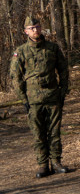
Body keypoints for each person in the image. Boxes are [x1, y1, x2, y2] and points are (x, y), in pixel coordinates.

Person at [9, 14, 70, 177]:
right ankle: (43, 164)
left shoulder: (52, 48)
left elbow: (63, 70)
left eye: (37, 27)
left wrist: (63, 91)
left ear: (41, 28)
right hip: (33, 99)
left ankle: (56, 162)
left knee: (54, 131)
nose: (35, 30)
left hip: (52, 96)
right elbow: (15, 76)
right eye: (31, 28)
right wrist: (23, 98)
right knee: (38, 132)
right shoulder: (21, 51)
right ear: (25, 32)